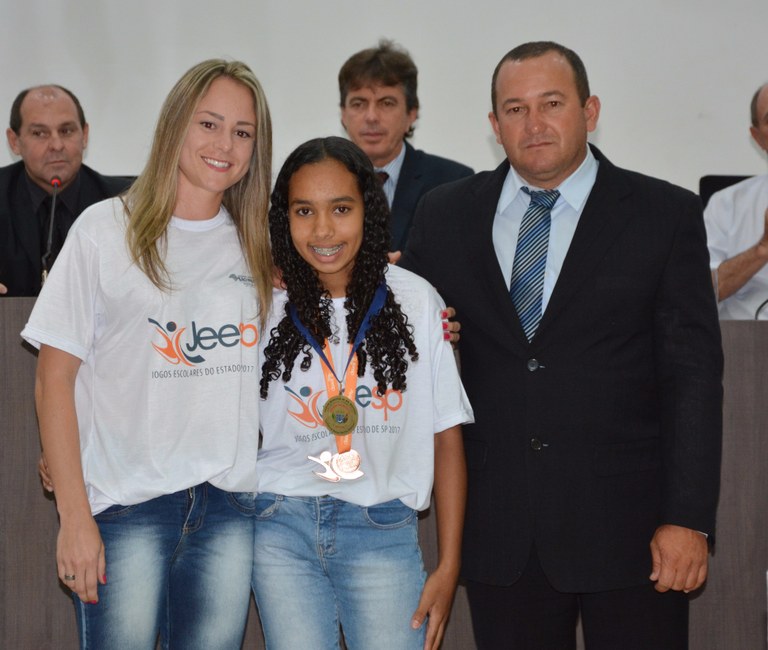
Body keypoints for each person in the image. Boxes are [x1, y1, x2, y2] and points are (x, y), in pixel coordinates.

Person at [400, 41, 723, 649]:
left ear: (589, 111)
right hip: (502, 534)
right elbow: (395, 314)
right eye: (515, 109)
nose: (534, 124)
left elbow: (694, 379)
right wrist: (296, 274)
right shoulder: (445, 214)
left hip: (634, 534)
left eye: (551, 103)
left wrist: (688, 519)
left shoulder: (664, 213)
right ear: (495, 125)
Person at [21, 59, 273, 649]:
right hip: (126, 507)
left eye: (242, 132)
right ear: (175, 124)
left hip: (228, 510)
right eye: (209, 124)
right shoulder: (104, 230)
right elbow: (53, 380)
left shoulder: (260, 243)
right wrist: (74, 518)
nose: (224, 145)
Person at [251, 136, 471, 650]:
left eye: (341, 209)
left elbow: (447, 439)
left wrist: (449, 565)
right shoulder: (263, 304)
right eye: (304, 211)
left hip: (381, 528)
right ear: (283, 218)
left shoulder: (415, 301)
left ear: (368, 213)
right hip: (280, 527)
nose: (323, 230)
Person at [339, 40, 473, 252]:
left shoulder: (453, 183)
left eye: (386, 103)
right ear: (343, 114)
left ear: (411, 113)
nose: (371, 117)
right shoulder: (322, 183)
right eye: (358, 104)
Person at [1, 85, 132, 296]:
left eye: (66, 131)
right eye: (39, 133)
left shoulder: (124, 203)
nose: (56, 145)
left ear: (84, 135)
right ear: (14, 142)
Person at [705, 82, 768, 319]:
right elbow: (696, 293)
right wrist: (762, 249)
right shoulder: (726, 204)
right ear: (758, 138)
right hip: (746, 339)